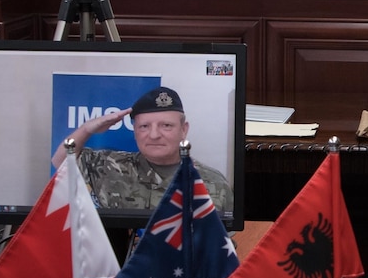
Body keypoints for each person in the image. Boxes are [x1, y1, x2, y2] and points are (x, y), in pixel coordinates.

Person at [51, 86, 232, 212]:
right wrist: (87, 128)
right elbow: (61, 162)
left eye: (166, 126)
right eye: (144, 127)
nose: (153, 135)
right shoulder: (110, 166)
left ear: (183, 130)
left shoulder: (213, 183)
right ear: (135, 131)